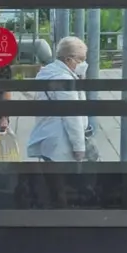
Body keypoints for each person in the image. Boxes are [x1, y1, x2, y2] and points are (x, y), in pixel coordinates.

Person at [25, 35, 89, 163]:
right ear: (68, 59)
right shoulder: (64, 80)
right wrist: (79, 147)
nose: (84, 63)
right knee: (65, 182)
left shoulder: (47, 72)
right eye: (81, 59)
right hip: (61, 142)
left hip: (46, 136)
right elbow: (72, 116)